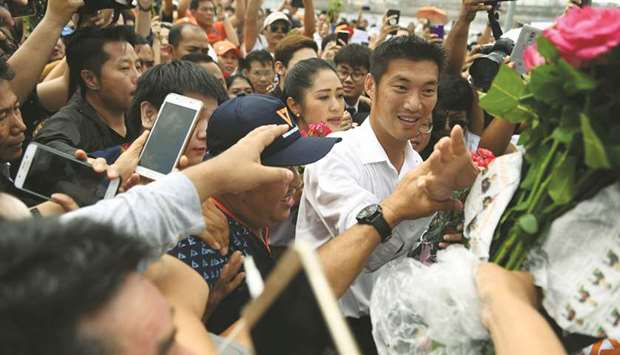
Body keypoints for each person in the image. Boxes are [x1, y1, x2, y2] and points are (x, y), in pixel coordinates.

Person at [295, 35, 460, 354]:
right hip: (332, 334)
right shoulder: (333, 157)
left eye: (428, 90)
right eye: (401, 87)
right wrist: (409, 208)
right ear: (370, 86)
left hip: (393, 330)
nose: (415, 104)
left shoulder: (418, 164)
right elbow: (368, 251)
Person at [168, 94, 340, 333]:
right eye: (281, 169)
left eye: (297, 168)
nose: (296, 180)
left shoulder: (253, 219)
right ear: (236, 175)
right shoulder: (207, 246)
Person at [34, 26, 141, 155]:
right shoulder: (68, 126)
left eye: (138, 66)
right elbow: (47, 150)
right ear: (91, 79)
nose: (138, 77)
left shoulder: (142, 112)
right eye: (125, 68)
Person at [128, 60, 228, 167]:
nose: (204, 134)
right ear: (149, 114)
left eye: (212, 119)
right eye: (192, 117)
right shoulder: (113, 171)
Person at [284, 58, 351, 133]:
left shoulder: (356, 139)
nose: (336, 107)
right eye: (324, 97)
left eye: (340, 95)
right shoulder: (283, 143)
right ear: (294, 105)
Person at [271, 34, 318, 102]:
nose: (310, 70)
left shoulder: (319, 105)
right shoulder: (268, 108)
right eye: (302, 65)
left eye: (315, 64)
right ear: (280, 68)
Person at [334, 44, 372, 124]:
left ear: (368, 79)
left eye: (356, 74)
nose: (348, 79)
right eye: (344, 72)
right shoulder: (327, 108)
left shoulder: (370, 110)